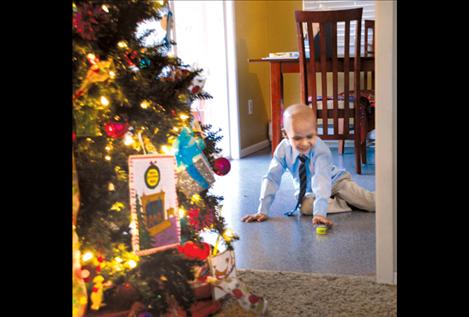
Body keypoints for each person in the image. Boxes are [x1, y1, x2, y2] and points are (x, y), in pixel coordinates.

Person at [241, 104, 375, 227]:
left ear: (315, 131)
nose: (305, 143)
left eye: (310, 136)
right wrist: (262, 210)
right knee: (305, 208)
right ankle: (348, 203)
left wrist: (320, 213)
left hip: (336, 181)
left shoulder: (320, 149)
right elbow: (271, 178)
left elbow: (321, 181)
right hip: (310, 191)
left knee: (370, 203)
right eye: (297, 138)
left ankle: (364, 199)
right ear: (286, 135)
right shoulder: (282, 150)